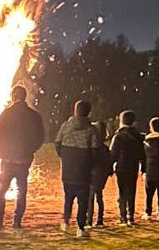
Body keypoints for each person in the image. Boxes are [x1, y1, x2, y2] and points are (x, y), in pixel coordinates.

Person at [0, 84, 44, 230]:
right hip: (24, 160)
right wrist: (31, 150)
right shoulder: (34, 115)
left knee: (2, 189)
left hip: (7, 159)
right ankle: (17, 220)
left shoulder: (6, 114)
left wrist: (0, 152)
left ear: (13, 96)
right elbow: (40, 137)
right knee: (21, 190)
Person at [55, 100, 101, 238]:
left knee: (68, 197)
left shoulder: (65, 126)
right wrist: (90, 164)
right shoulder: (92, 130)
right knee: (83, 201)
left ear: (75, 110)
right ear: (89, 113)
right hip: (83, 170)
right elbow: (95, 151)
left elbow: (57, 143)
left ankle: (65, 222)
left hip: (68, 168)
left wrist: (64, 157)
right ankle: (80, 228)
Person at [109, 110, 146, 226]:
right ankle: (131, 216)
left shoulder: (118, 136)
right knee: (131, 191)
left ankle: (123, 216)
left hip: (121, 167)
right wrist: (143, 168)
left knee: (122, 192)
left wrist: (110, 167)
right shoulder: (138, 136)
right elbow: (142, 154)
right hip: (133, 166)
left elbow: (113, 154)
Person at [86, 121, 113, 229]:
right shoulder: (105, 148)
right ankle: (100, 220)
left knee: (91, 197)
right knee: (99, 196)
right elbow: (108, 162)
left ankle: (89, 221)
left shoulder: (93, 148)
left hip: (93, 174)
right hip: (102, 175)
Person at [142, 117, 159, 221]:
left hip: (150, 170)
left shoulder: (146, 141)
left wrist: (143, 170)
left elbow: (143, 157)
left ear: (151, 128)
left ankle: (148, 212)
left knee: (149, 193)